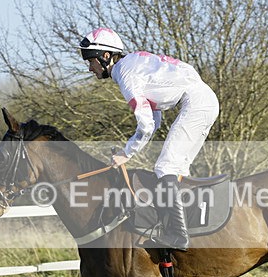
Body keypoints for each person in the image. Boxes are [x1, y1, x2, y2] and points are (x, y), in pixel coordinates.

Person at [78, 27, 219, 251]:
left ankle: (178, 235)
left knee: (166, 166)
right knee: (178, 168)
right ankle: (187, 226)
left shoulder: (126, 75)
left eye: (90, 60)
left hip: (196, 102)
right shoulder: (133, 64)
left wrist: (127, 153)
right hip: (202, 100)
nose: (89, 67)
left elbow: (146, 124)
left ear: (106, 56)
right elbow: (155, 120)